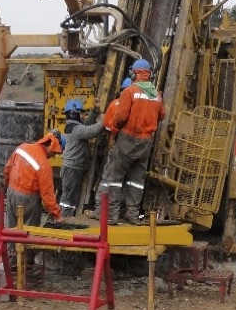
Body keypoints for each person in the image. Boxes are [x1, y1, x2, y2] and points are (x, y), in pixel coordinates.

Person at [104, 58, 165, 225]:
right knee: (136, 180)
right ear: (149, 75)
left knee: (115, 176)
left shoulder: (129, 92)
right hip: (146, 142)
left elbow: (120, 117)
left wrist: (116, 128)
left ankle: (112, 215)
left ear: (134, 73)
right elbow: (162, 116)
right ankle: (132, 214)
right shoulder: (157, 95)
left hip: (128, 139)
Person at [2, 132, 63, 227]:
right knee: (28, 233)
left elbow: (6, 171)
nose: (53, 156)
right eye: (54, 153)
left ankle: (10, 242)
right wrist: (57, 215)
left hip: (11, 192)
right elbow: (47, 196)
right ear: (50, 147)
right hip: (29, 200)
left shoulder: (21, 148)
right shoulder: (44, 165)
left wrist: (6, 187)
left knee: (11, 230)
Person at [57, 99, 105, 219]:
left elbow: (87, 125)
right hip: (72, 169)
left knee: (69, 196)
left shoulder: (74, 127)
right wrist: (103, 122)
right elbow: (91, 131)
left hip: (73, 167)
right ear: (75, 113)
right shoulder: (75, 129)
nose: (84, 116)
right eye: (82, 113)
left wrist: (95, 111)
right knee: (68, 198)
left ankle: (64, 217)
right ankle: (64, 218)